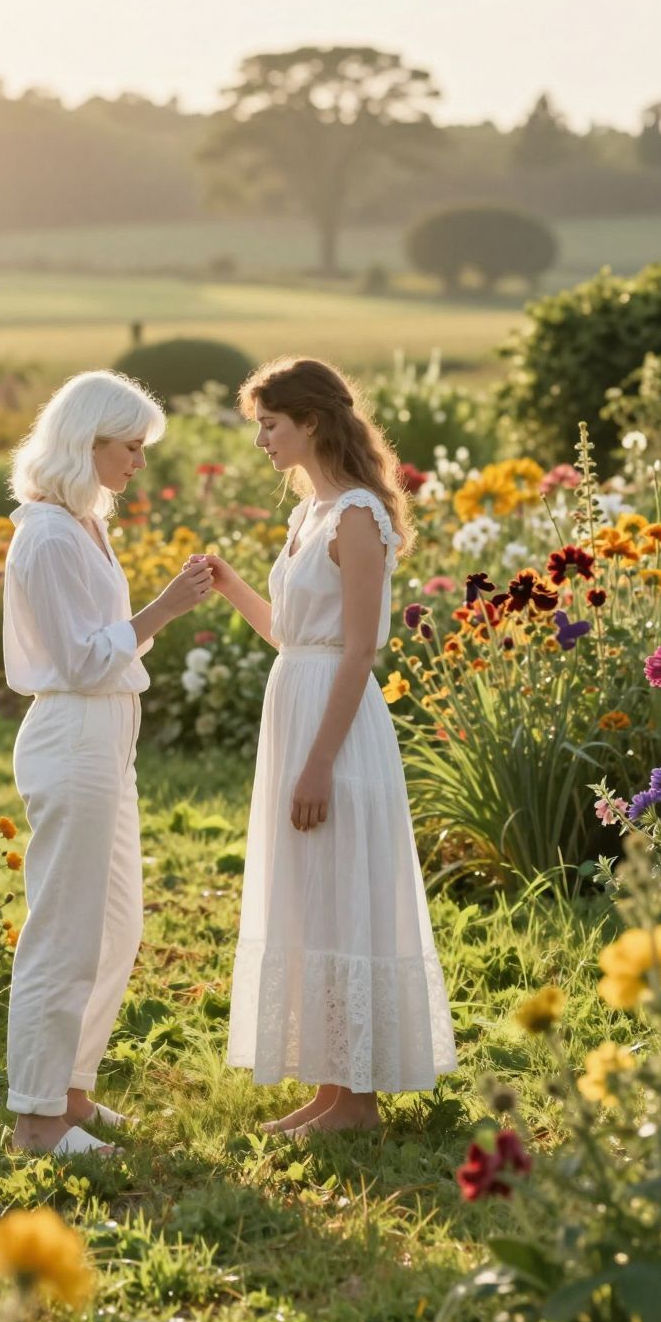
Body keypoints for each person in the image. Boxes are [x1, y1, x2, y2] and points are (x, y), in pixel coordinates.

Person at [195, 357, 457, 1134]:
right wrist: (230, 584)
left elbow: (357, 650)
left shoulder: (358, 517)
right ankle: (331, 1087)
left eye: (269, 425)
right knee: (310, 894)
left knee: (343, 891)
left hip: (336, 729)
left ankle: (362, 1100)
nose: (261, 442)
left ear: (309, 422)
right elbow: (290, 636)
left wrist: (317, 762)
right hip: (297, 700)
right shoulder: (307, 517)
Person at [4, 369, 212, 1157]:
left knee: (115, 925)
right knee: (66, 930)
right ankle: (35, 1118)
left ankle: (71, 1092)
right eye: (130, 447)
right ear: (84, 442)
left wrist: (158, 609)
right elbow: (83, 660)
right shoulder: (48, 535)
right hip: (72, 736)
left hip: (106, 740)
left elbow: (108, 648)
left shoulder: (85, 525)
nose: (139, 462)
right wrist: (166, 606)